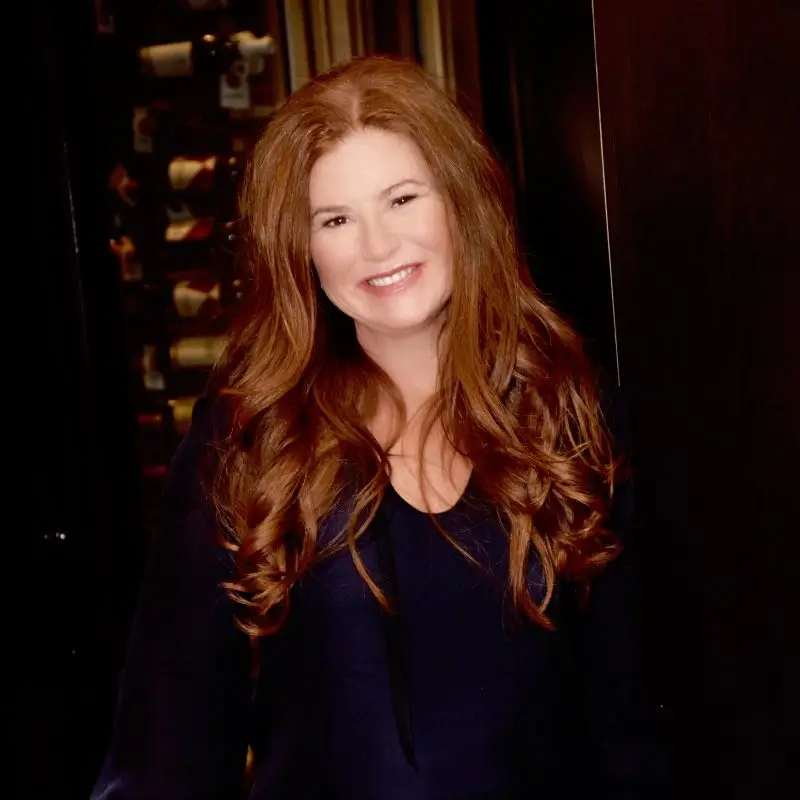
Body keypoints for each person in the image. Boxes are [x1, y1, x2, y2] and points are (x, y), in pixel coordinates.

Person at [91, 55, 671, 799]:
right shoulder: (247, 442)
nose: (377, 245)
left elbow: (626, 732)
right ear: (303, 252)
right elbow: (164, 752)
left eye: (401, 199)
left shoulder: (570, 416)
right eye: (336, 219)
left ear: (460, 202)